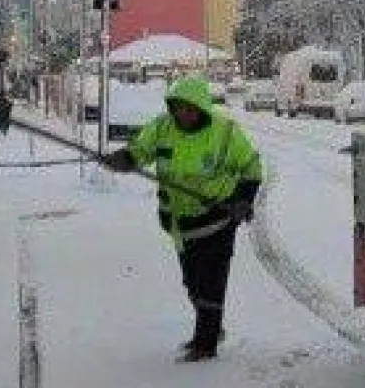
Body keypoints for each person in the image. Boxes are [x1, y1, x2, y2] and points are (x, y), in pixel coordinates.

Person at [103, 75, 263, 362]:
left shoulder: (225, 132)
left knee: (211, 282)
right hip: (181, 224)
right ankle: (210, 326)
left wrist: (243, 200)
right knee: (193, 282)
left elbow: (251, 167)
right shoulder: (163, 128)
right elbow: (141, 150)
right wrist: (125, 158)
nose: (183, 114)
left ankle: (206, 342)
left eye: (189, 109)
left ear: (201, 107)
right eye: (178, 108)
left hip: (217, 220)